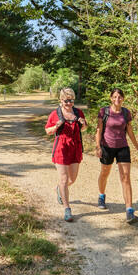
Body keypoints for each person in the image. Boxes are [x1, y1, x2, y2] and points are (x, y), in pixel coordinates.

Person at [95, 88, 138, 224]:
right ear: (111, 98)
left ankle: (129, 211)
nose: (117, 99)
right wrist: (98, 147)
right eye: (115, 97)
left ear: (123, 98)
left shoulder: (126, 113)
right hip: (107, 147)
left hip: (122, 147)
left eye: (120, 97)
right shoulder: (104, 111)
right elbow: (98, 130)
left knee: (126, 177)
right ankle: (101, 195)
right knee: (105, 173)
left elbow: (130, 131)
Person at [45, 88, 87, 222]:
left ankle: (59, 189)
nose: (69, 103)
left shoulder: (78, 112)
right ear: (61, 100)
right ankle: (67, 209)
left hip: (75, 147)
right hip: (61, 148)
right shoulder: (55, 114)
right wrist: (56, 127)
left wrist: (84, 124)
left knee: (72, 179)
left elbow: (84, 128)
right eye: (66, 101)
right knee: (64, 179)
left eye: (71, 100)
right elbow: (48, 131)